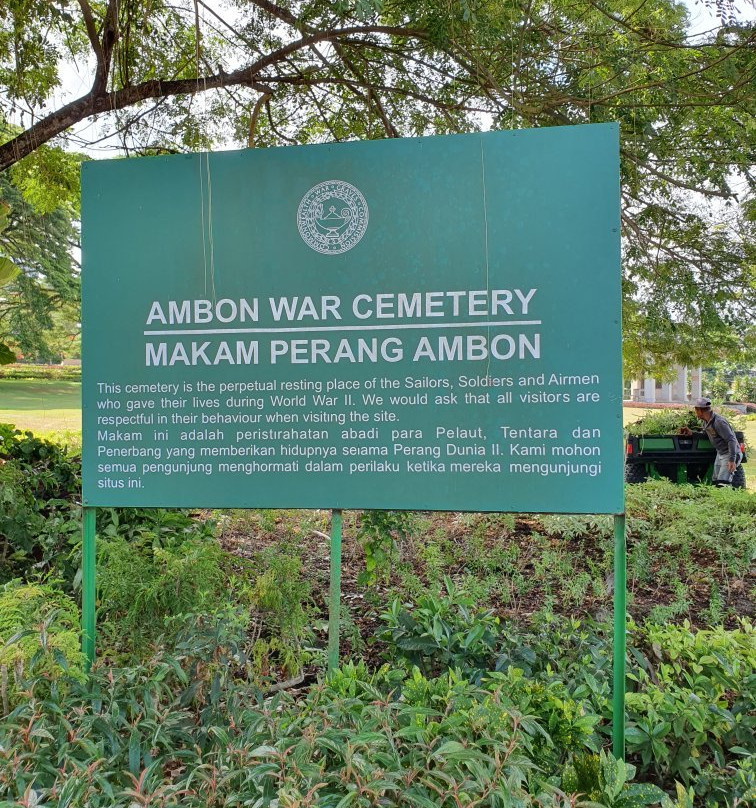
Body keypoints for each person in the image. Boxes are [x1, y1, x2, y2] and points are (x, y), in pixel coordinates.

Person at [693, 397, 742, 486]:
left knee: (723, 483)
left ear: (700, 410)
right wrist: (691, 433)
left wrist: (732, 460)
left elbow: (731, 440)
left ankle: (728, 499)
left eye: (696, 411)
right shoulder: (706, 422)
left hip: (729, 454)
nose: (695, 413)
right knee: (716, 481)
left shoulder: (719, 422)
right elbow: (707, 434)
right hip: (720, 454)